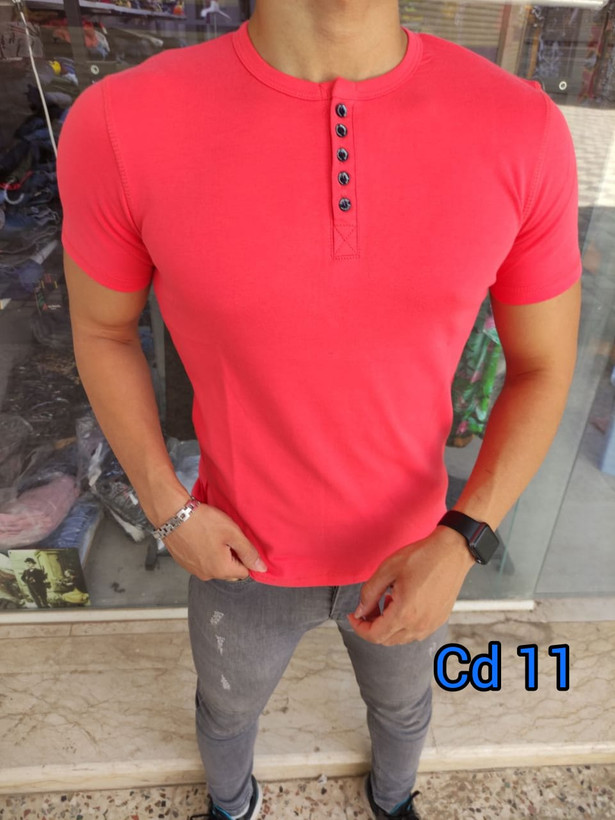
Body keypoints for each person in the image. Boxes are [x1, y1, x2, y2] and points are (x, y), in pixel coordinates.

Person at [56, 1, 582, 817]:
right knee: (225, 713)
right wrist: (168, 509)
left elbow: (542, 367)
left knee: (404, 710)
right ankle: (232, 805)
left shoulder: (522, 128)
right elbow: (101, 330)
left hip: (418, 551)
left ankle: (393, 800)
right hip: (238, 556)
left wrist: (463, 539)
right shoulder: (122, 123)